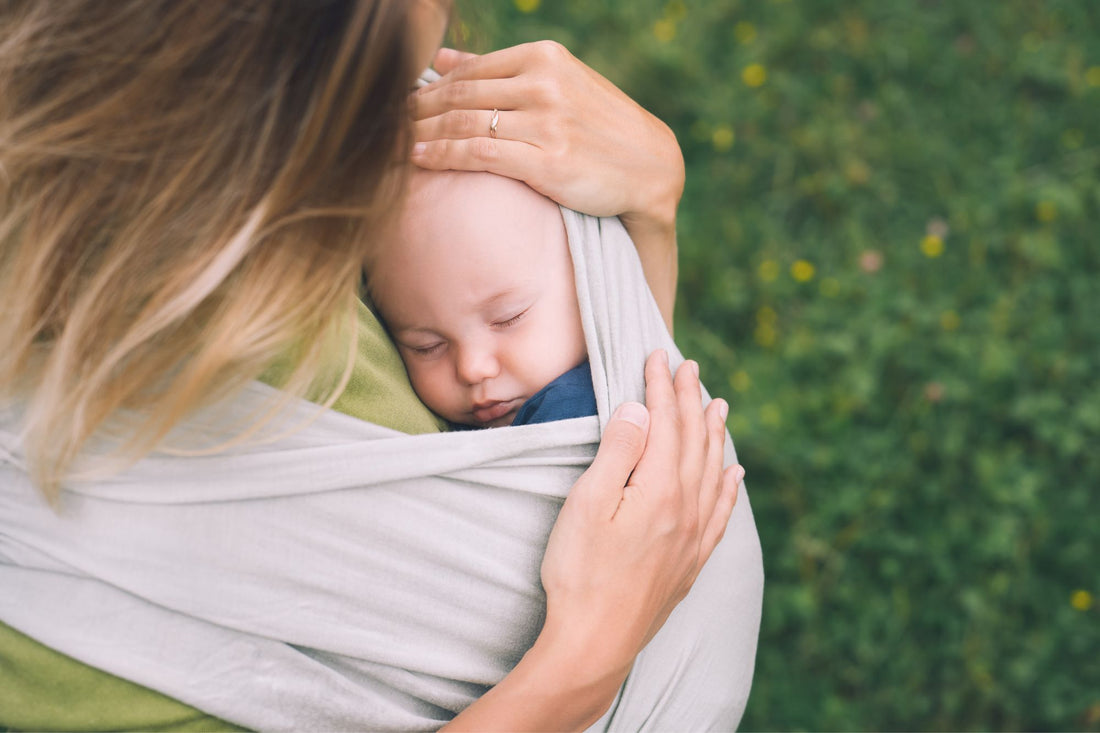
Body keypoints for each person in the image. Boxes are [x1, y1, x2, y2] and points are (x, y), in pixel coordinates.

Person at [0, 2, 762, 730]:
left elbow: (615, 409)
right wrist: (581, 665)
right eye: (423, 343)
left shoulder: (386, 162)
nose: (472, 367)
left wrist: (644, 216)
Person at [367, 170, 600, 429]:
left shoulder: (572, 408)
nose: (472, 369)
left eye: (508, 318)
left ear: (586, 277)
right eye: (427, 346)